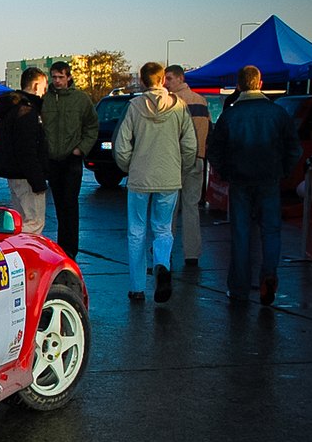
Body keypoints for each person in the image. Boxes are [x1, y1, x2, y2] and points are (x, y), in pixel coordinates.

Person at [206, 65, 301, 306]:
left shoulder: (230, 115)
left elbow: (214, 150)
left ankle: (239, 287)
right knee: (271, 231)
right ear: (260, 83)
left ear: (239, 86)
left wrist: (226, 172)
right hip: (269, 179)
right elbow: (294, 148)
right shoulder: (277, 113)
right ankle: (269, 274)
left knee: (241, 233)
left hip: (240, 180)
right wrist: (283, 171)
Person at [114, 62, 195, 303]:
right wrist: (181, 168)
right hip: (169, 177)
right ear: (162, 80)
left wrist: (129, 167)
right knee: (163, 228)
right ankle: (162, 264)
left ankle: (137, 287)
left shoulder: (134, 106)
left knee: (136, 231)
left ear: (142, 81)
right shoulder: (179, 106)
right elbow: (190, 145)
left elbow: (122, 145)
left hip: (140, 177)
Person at [42, 61, 99, 258]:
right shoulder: (46, 99)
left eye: (61, 77)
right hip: (52, 159)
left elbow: (92, 126)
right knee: (59, 205)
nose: (57, 81)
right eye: (54, 77)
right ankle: (62, 247)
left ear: (68, 77)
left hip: (71, 159)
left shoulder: (80, 99)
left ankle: (70, 249)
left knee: (70, 204)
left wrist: (81, 149)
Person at [163, 65, 210, 266]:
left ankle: (165, 251)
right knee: (191, 207)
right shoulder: (201, 101)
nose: (165, 83)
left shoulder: (171, 102)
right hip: (197, 159)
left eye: (169, 78)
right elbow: (208, 129)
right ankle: (192, 254)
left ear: (180, 78)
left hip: (175, 160)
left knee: (170, 208)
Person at [0, 68, 49, 234]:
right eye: (44, 86)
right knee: (33, 223)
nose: (45, 91)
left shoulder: (12, 108)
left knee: (20, 221)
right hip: (27, 175)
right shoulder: (27, 111)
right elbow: (27, 149)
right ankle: (26, 250)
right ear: (36, 85)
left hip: (15, 173)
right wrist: (38, 180)